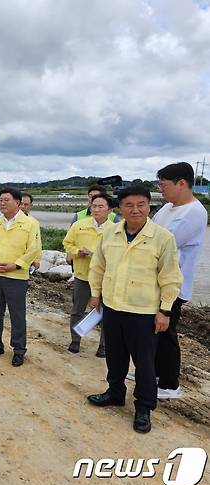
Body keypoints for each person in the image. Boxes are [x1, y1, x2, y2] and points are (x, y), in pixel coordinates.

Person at [87, 186, 182, 434]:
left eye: (141, 204)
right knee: (115, 357)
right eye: (129, 205)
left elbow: (170, 277)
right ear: (120, 208)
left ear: (149, 207)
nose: (135, 209)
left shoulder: (162, 238)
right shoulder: (110, 234)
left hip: (143, 311)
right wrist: (95, 294)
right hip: (113, 306)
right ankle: (115, 392)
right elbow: (98, 266)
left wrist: (165, 311)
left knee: (145, 363)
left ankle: (144, 407)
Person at [149, 162, 207, 400]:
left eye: (163, 185)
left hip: (174, 284)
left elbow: (164, 244)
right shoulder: (168, 208)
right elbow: (148, 231)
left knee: (166, 334)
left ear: (181, 183)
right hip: (155, 282)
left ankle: (170, 384)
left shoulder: (194, 212)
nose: (161, 190)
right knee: (152, 331)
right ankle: (152, 373)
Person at [0, 188, 40, 367]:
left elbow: (34, 249)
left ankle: (19, 349)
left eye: (6, 200)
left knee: (17, 314)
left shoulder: (30, 224)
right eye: (0, 200)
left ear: (17, 202)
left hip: (17, 276)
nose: (2, 203)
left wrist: (17, 264)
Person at [62, 193, 112, 356]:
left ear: (110, 209)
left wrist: (96, 255)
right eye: (94, 206)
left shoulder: (115, 229)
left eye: (100, 206)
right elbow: (67, 243)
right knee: (77, 310)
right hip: (83, 275)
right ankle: (75, 341)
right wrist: (77, 251)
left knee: (105, 312)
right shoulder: (79, 225)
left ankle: (103, 346)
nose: (96, 209)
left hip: (105, 278)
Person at [19, 192, 42, 271]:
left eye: (26, 204)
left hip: (26, 260)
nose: (22, 206)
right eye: (21, 204)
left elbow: (37, 242)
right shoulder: (7, 220)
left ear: (30, 205)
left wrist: (37, 259)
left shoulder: (34, 222)